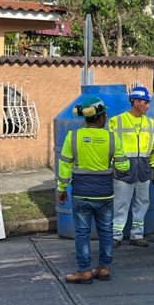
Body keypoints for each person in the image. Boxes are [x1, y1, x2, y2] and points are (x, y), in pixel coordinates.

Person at [57, 96, 130, 284]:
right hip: (105, 194)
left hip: (81, 193)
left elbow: (64, 166)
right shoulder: (113, 138)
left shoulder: (73, 137)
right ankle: (104, 268)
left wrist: (61, 188)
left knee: (82, 233)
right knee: (106, 231)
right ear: (100, 117)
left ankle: (84, 271)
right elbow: (123, 168)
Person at [109, 86, 154, 247]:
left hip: (143, 169)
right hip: (123, 170)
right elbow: (110, 146)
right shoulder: (116, 121)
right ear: (135, 102)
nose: (148, 106)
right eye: (145, 102)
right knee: (121, 203)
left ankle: (137, 235)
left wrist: (153, 166)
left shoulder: (150, 122)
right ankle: (116, 236)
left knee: (142, 202)